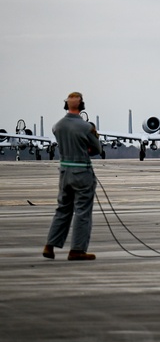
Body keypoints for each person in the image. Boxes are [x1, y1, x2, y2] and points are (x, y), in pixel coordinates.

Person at [42, 92, 103, 261]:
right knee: (82, 212)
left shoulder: (58, 126)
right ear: (82, 106)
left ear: (65, 106)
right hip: (82, 172)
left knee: (62, 209)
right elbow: (97, 149)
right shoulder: (86, 127)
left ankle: (50, 245)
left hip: (64, 172)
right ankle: (77, 249)